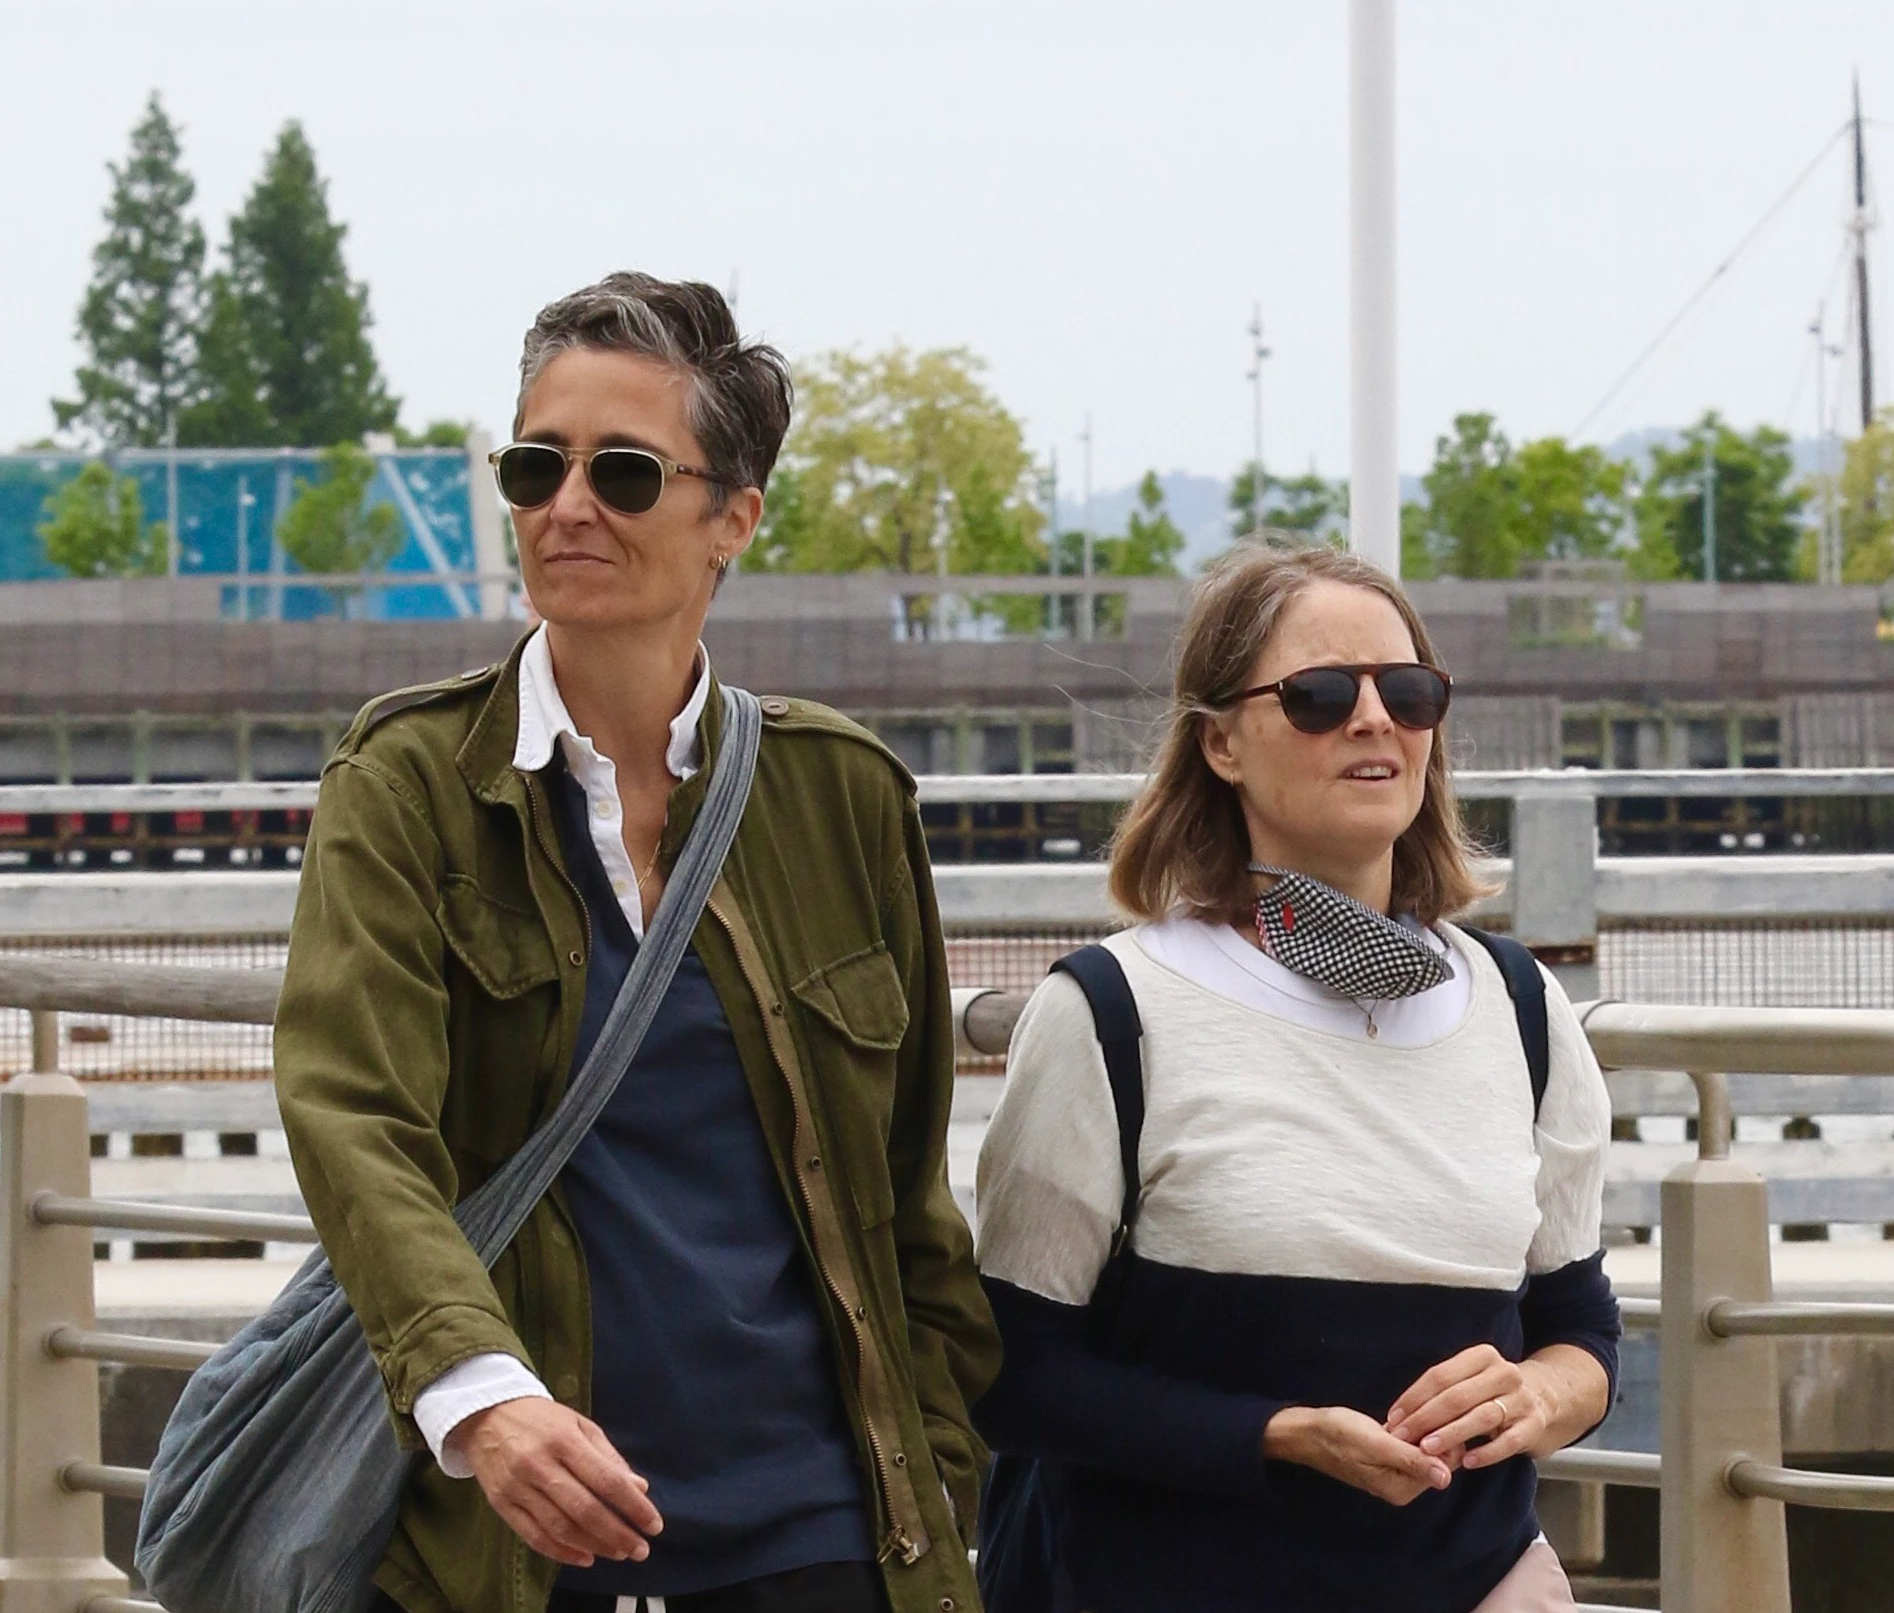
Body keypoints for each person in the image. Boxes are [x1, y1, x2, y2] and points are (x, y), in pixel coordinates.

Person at [274, 273, 996, 1613]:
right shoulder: (408, 781)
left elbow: (906, 1205)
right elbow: (353, 1123)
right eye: (537, 464)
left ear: (734, 516)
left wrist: (941, 1483)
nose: (567, 506)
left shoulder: (842, 796)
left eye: (621, 471)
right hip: (513, 1542)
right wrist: (484, 1403)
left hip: (820, 1544)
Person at [970, 542, 1621, 1613]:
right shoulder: (1111, 1010)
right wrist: (1271, 1436)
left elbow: (1579, 1325)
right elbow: (1008, 1371)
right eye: (1319, 695)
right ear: (1219, 740)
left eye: (1405, 692)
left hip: (1475, 1584)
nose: (1373, 719)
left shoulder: (1519, 1007)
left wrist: (1536, 1392)